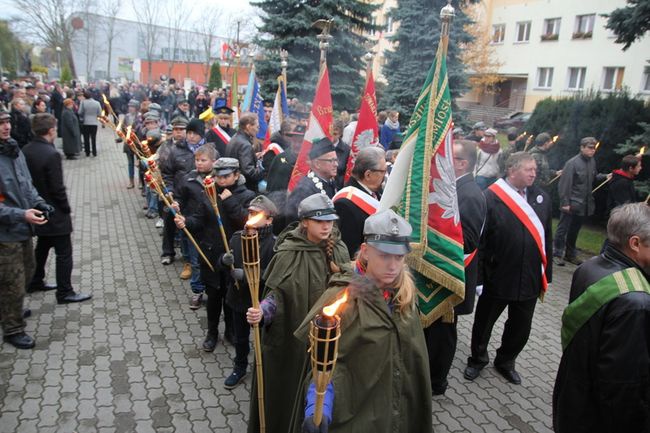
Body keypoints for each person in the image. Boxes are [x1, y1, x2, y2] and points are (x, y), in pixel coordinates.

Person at [293, 209, 433, 433]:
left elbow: (413, 355)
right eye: (385, 255)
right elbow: (326, 363)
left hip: (399, 408)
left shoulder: (404, 295)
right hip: (362, 414)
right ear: (366, 252)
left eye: (399, 257)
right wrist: (318, 406)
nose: (393, 266)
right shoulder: (343, 297)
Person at [245, 194, 351, 433]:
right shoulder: (288, 252)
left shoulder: (340, 249)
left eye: (330, 221)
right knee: (288, 395)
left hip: (329, 344)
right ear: (304, 222)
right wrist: (262, 311)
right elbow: (277, 296)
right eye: (319, 221)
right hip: (293, 346)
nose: (326, 226)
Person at [553, 202, 650, 433]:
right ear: (635, 243)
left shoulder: (590, 266)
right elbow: (623, 385)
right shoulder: (635, 302)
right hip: (597, 417)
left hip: (572, 397)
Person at [464, 152, 552, 385]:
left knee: (520, 326)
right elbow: (480, 243)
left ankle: (506, 361)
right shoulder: (490, 197)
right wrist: (479, 279)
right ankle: (477, 360)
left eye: (534, 169)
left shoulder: (541, 197)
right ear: (512, 170)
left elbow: (547, 239)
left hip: (530, 277)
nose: (534, 173)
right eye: (529, 169)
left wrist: (547, 272)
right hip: (498, 275)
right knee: (484, 323)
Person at [424, 140, 487, 395]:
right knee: (437, 330)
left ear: (461, 164)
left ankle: (437, 382)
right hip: (446, 273)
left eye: (450, 157)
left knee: (444, 333)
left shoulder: (469, 194)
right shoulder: (458, 188)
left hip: (453, 274)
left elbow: (468, 242)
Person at [22, 113, 92, 304]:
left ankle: (35, 280)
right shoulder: (51, 153)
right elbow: (57, 187)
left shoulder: (26, 150)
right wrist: (66, 209)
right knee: (64, 253)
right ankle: (65, 291)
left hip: (36, 209)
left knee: (43, 246)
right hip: (54, 210)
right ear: (52, 130)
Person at [173, 147, 238, 350]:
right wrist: (186, 222)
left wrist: (231, 201)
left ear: (236, 175)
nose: (221, 180)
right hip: (210, 254)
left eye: (226, 176)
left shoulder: (245, 195)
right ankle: (212, 332)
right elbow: (198, 220)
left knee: (230, 296)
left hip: (234, 256)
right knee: (213, 297)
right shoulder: (207, 193)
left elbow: (246, 221)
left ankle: (230, 331)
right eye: (218, 176)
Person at [0, 108, 51, 349]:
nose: (6, 126)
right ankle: (12, 328)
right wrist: (22, 214)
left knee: (28, 271)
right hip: (5, 233)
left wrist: (39, 202)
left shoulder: (13, 149)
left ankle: (12, 307)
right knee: (12, 281)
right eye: (0, 123)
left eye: (7, 121)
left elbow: (26, 184)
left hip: (22, 228)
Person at [224, 195, 278, 389]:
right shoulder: (238, 238)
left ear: (270, 219)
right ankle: (239, 367)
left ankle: (263, 370)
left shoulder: (275, 246)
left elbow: (274, 276)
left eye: (257, 214)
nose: (251, 217)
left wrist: (246, 275)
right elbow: (225, 269)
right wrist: (224, 262)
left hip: (261, 303)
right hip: (239, 300)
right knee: (240, 338)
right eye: (250, 213)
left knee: (263, 340)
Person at [554, 137, 607, 266]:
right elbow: (564, 184)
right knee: (563, 229)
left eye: (593, 148)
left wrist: (605, 176)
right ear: (582, 147)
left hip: (583, 204)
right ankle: (557, 253)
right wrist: (565, 203)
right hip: (571, 203)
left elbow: (594, 177)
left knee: (575, 229)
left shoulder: (592, 162)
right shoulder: (572, 163)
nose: (592, 151)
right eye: (589, 148)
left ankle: (570, 254)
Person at [333, 146, 385, 257]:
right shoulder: (345, 204)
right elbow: (349, 250)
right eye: (383, 171)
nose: (385, 176)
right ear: (368, 175)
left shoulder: (377, 192)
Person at [286, 138, 339, 222]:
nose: (336, 164)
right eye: (331, 161)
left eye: (336, 160)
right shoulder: (303, 190)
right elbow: (294, 222)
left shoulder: (331, 182)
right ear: (317, 164)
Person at [225, 113, 264, 192]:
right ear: (248, 126)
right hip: (244, 189)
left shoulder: (235, 137)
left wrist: (254, 157)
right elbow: (249, 172)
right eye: (257, 126)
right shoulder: (245, 145)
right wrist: (263, 167)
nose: (258, 130)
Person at [77, 91, 102, 157]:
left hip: (86, 122)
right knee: (93, 138)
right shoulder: (97, 103)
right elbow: (99, 113)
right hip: (94, 123)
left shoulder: (83, 103)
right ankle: (94, 152)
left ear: (84, 96)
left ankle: (87, 152)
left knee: (86, 138)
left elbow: (80, 112)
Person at [331, 120, 351, 189]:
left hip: (339, 186)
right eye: (330, 133)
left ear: (340, 134)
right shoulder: (321, 146)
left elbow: (346, 171)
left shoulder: (346, 150)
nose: (332, 137)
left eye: (335, 134)